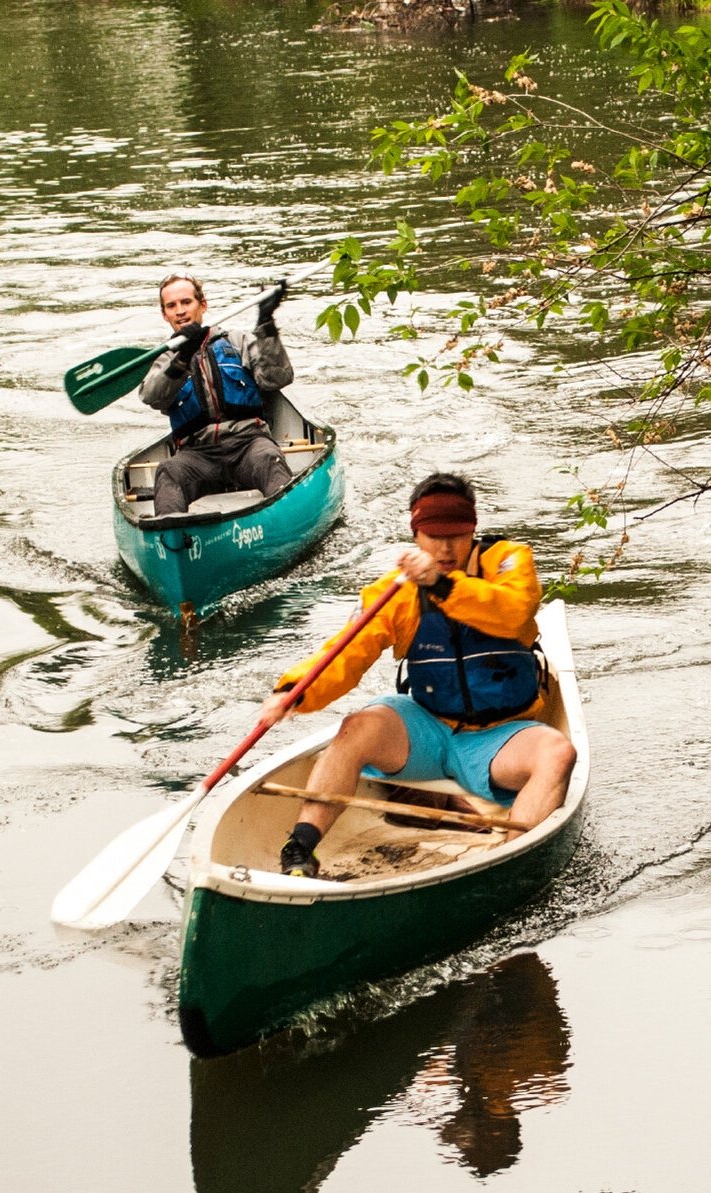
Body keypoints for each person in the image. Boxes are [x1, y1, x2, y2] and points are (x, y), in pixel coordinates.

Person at [261, 473, 576, 879]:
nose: (445, 547)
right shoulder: (396, 592)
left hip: (500, 736)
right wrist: (293, 693)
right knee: (357, 727)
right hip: (427, 727)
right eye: (433, 535)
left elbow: (514, 609)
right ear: (416, 535)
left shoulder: (508, 562)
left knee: (558, 752)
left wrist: (443, 585)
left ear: (473, 530)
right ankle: (300, 849)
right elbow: (346, 651)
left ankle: (507, 861)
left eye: (457, 535)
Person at [139, 271, 294, 516]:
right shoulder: (164, 359)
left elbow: (278, 378)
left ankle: (287, 521)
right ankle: (172, 538)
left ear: (203, 305)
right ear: (164, 314)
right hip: (197, 455)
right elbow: (152, 397)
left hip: (248, 445)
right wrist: (182, 359)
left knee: (268, 458)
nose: (180, 311)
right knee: (168, 471)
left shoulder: (237, 341)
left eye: (186, 302)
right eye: (171, 305)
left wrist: (266, 324)